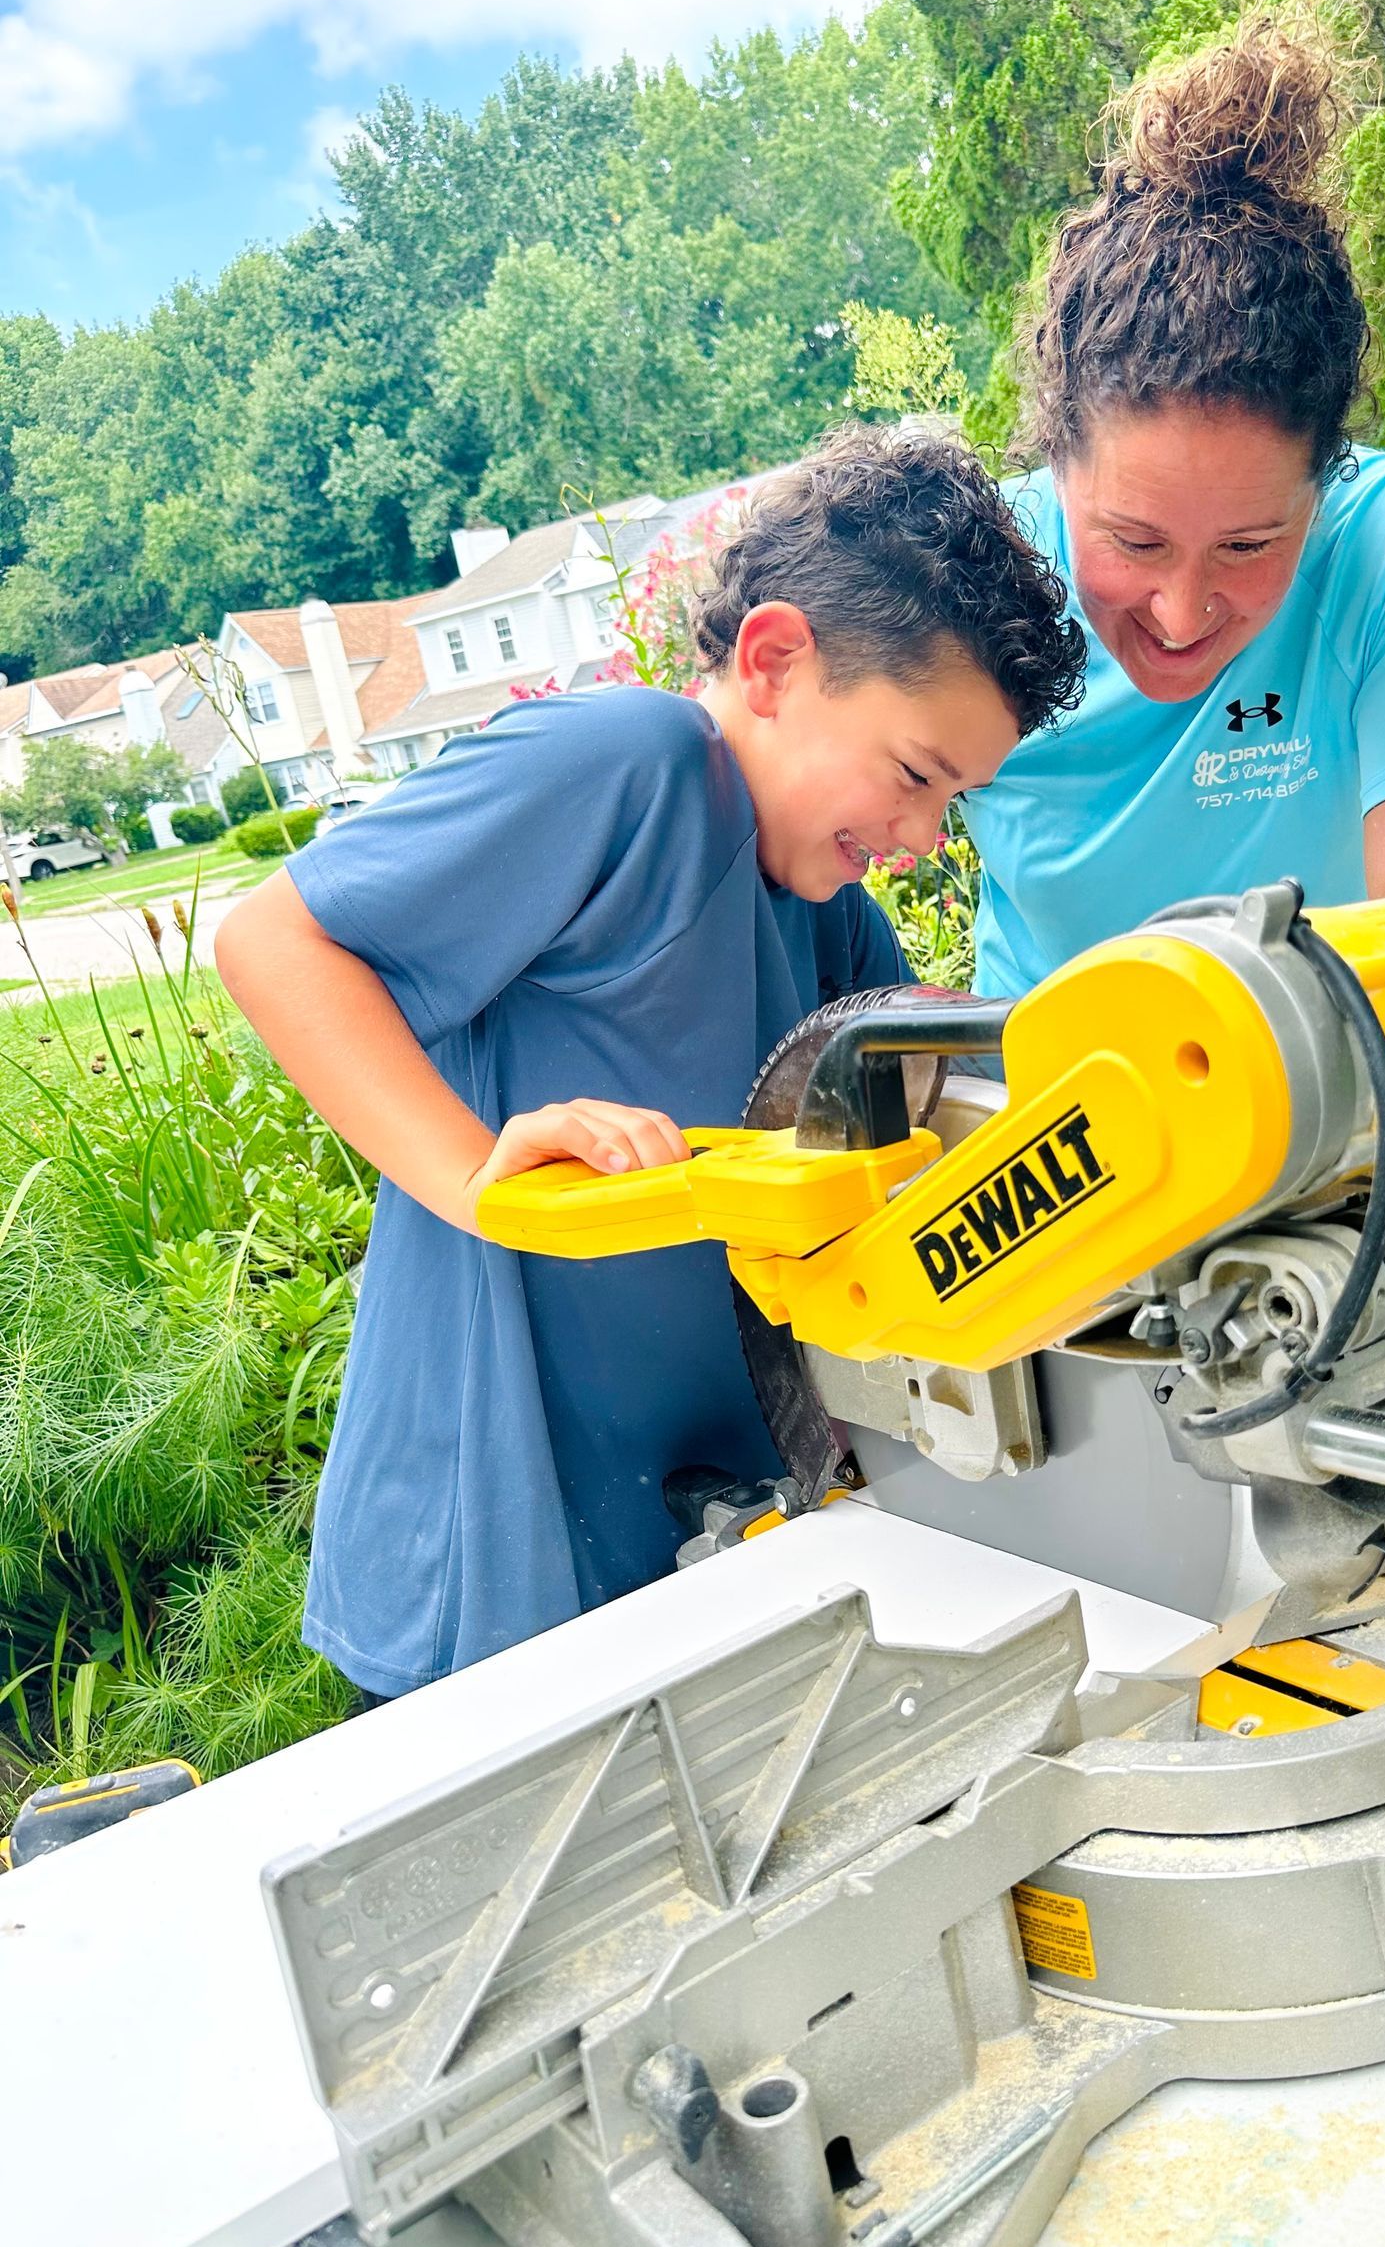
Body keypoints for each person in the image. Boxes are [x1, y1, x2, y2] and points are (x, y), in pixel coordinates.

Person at [214, 427, 1084, 1699]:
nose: (919, 835)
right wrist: (474, 1175)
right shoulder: (633, 765)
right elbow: (273, 939)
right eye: (914, 775)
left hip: (694, 1525)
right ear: (776, 660)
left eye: (951, 801)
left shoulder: (819, 895)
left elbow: (934, 1084)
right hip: (505, 1535)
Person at [966, 17, 1385, 1239]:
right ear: (1052, 461)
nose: (1181, 614)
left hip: (1333, 1149)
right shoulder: (976, 576)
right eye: (1129, 542)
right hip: (1054, 1170)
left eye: (1248, 547)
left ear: (1324, 484)